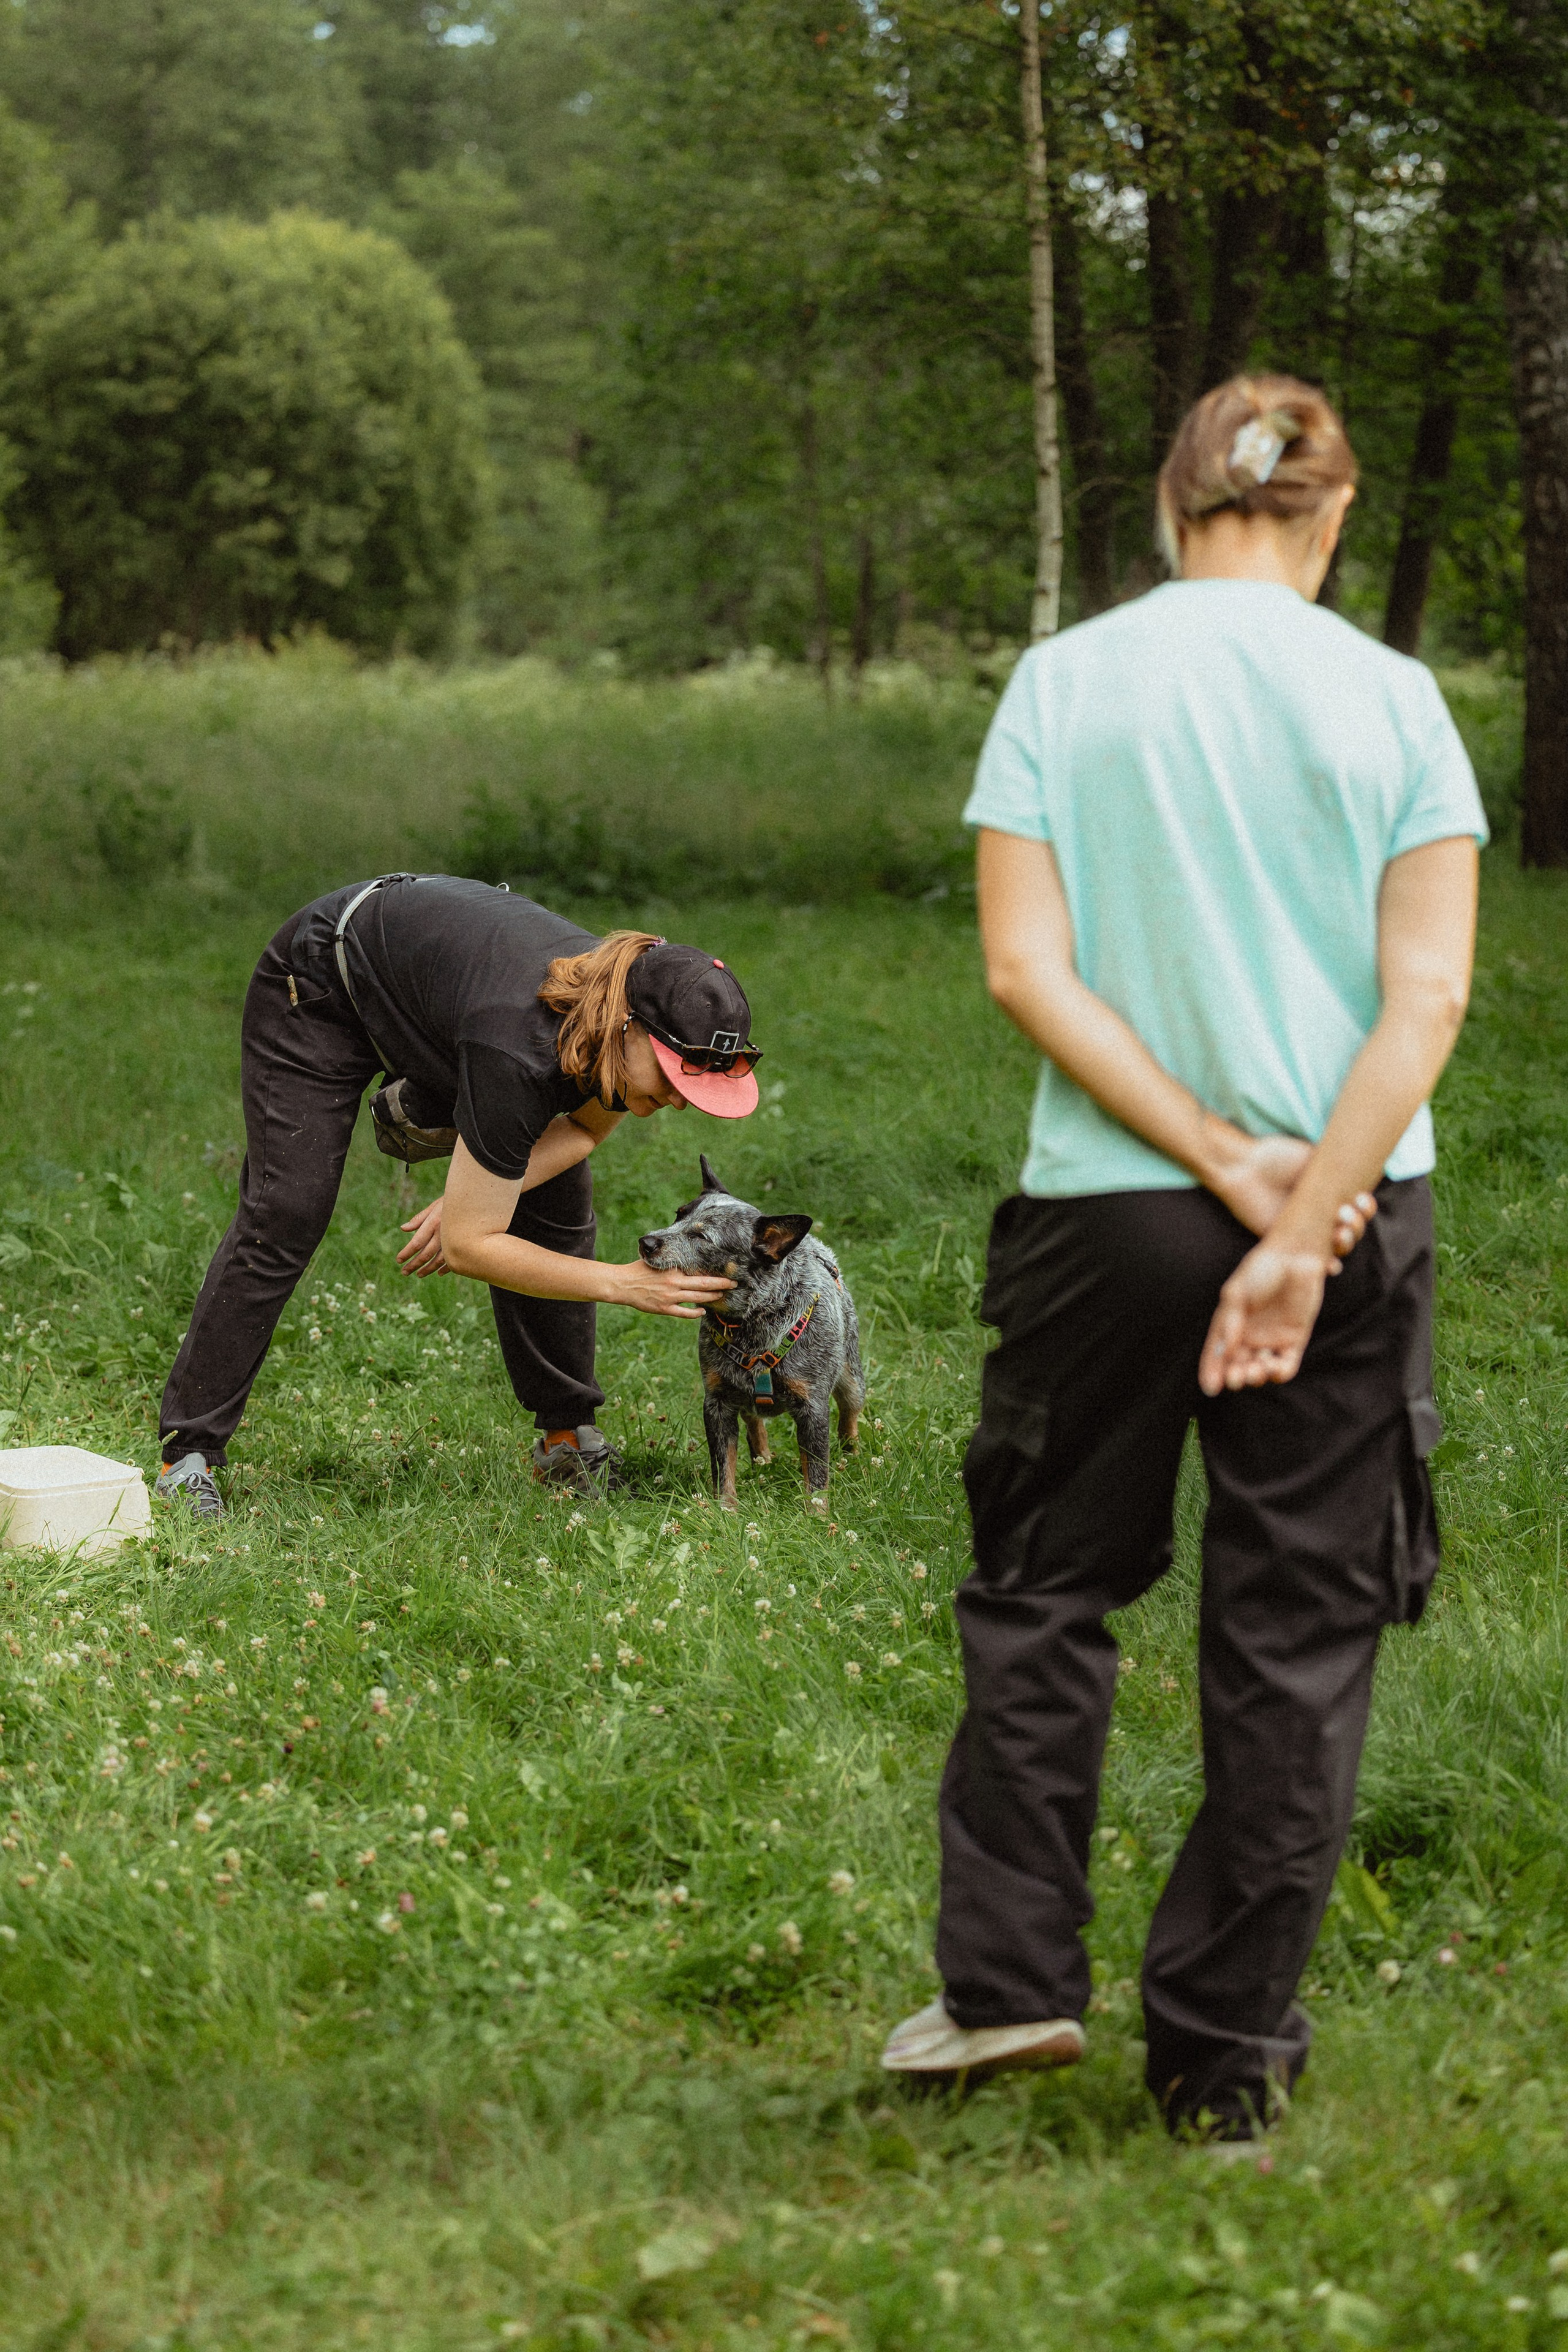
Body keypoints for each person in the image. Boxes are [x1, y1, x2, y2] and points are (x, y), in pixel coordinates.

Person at [880, 375, 1486, 2139]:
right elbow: (1428, 998)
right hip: (1350, 1213)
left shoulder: (1064, 681)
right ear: (1334, 513)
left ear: (1169, 504)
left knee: (1044, 1587)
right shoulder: (1394, 699)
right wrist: (1296, 1224)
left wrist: (1212, 1159)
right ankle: (1220, 2072)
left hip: (1110, 1215)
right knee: (1296, 1633)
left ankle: (1007, 1988)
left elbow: (1025, 969)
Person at [155, 876, 760, 1520]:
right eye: (672, 1078)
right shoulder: (525, 1044)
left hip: (445, 1004)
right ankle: (186, 1457)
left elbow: (581, 1132)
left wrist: (474, 1195)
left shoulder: (617, 1013)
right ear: (629, 1026)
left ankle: (567, 1440)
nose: (676, 1101)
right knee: (287, 1210)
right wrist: (621, 1282)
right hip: (322, 985)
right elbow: (469, 1248)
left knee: (553, 1185)